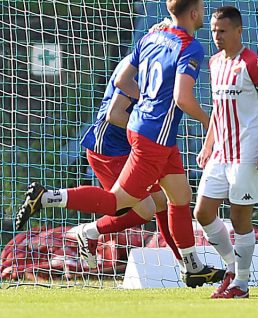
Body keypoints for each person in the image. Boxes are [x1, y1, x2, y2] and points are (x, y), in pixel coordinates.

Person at [16, 0, 222, 287]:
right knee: (120, 202)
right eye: (202, 7)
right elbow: (180, 98)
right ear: (193, 13)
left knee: (179, 197)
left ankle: (191, 266)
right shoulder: (189, 47)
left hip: (152, 134)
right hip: (147, 138)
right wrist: (208, 121)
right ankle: (47, 197)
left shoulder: (150, 37)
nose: (204, 12)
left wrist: (147, 102)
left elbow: (123, 81)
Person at [65, 50, 182, 270]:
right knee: (141, 208)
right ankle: (86, 229)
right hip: (109, 149)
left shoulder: (156, 63)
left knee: (160, 200)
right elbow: (115, 114)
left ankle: (182, 262)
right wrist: (150, 131)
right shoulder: (139, 67)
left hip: (132, 146)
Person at [193, 6, 258, 299]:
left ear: (239, 31)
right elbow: (218, 109)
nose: (216, 36)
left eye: (223, 31)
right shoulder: (214, 63)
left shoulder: (253, 63)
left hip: (247, 152)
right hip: (221, 153)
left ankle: (241, 284)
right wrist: (208, 144)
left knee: (240, 217)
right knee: (202, 212)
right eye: (214, 31)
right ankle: (232, 267)